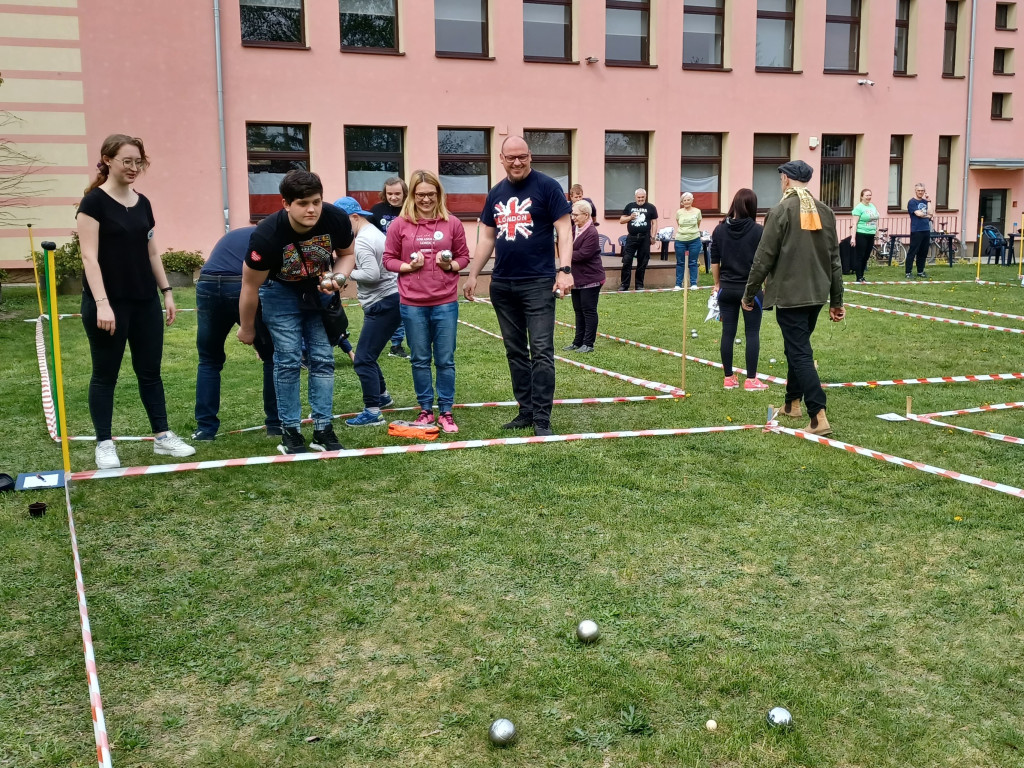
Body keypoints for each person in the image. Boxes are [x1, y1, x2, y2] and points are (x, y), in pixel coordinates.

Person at [76, 133, 196, 469]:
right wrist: (101, 303)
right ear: (108, 159)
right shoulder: (93, 203)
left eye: (138, 162)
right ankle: (104, 443)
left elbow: (152, 250)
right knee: (105, 375)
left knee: (150, 372)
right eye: (126, 161)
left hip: (144, 302)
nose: (133, 167)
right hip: (108, 304)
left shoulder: (143, 203)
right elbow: (89, 258)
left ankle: (162, 437)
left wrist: (167, 292)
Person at [237, 170, 355, 454]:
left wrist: (337, 279)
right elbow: (250, 285)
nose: (311, 209)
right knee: (288, 359)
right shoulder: (266, 235)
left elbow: (347, 255)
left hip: (317, 293)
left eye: (316, 201)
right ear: (286, 203)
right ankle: (290, 432)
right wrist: (247, 327)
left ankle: (323, 429)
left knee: (323, 359)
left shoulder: (336, 218)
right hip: (279, 293)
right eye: (302, 203)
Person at [462, 135, 573, 436]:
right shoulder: (496, 193)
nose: (517, 162)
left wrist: (564, 270)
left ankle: (541, 418)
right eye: (510, 157)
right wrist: (473, 274)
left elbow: (564, 229)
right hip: (503, 284)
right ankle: (525, 411)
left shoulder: (547, 187)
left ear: (530, 156)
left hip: (538, 283)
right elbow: (486, 237)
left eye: (522, 156)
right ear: (501, 159)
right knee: (515, 351)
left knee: (541, 350)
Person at [742, 160, 845, 436]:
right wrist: (836, 300)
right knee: (795, 348)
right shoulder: (825, 211)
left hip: (790, 295)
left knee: (799, 352)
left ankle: (818, 416)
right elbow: (835, 260)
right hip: (817, 294)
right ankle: (792, 403)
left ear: (786, 180)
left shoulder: (780, 211)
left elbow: (763, 257)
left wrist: (749, 293)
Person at [383, 170, 471, 433]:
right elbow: (388, 259)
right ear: (412, 195)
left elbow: (464, 256)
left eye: (430, 194)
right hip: (412, 303)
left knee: (445, 359)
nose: (425, 200)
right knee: (420, 358)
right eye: (420, 195)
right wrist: (408, 268)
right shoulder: (400, 225)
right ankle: (425, 410)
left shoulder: (451, 223)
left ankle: (445, 411)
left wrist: (451, 264)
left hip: (445, 301)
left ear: (438, 194)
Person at [192, 226, 280, 441]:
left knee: (208, 360)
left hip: (208, 284)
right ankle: (275, 424)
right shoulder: (273, 236)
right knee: (272, 357)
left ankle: (205, 429)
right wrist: (254, 330)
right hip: (240, 285)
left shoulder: (235, 234)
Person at [325, 197, 402, 428]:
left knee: (363, 360)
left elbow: (371, 274)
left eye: (341, 222)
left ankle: (373, 411)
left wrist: (341, 273)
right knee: (368, 354)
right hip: (387, 301)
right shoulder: (372, 233)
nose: (338, 228)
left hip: (384, 304)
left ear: (355, 217)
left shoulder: (364, 241)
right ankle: (382, 396)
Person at [711, 188, 767, 391]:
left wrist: (717, 285)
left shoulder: (719, 229)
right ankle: (751, 380)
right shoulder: (758, 231)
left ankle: (729, 378)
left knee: (728, 333)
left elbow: (714, 261)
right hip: (750, 291)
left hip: (726, 289)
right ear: (753, 206)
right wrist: (767, 286)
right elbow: (764, 262)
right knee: (752, 332)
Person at [368, 175, 411, 359]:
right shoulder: (376, 211)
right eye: (390, 193)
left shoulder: (410, 210)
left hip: (406, 263)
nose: (394, 197)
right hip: (383, 263)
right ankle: (387, 343)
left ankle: (401, 344)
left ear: (404, 193)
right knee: (388, 304)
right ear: (385, 194)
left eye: (397, 193)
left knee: (403, 303)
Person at [563, 200, 605, 353]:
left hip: (591, 278)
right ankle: (577, 342)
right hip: (577, 278)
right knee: (578, 310)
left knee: (588, 310)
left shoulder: (592, 232)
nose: (573, 217)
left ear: (586, 215)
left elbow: (583, 255)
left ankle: (588, 344)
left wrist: (565, 253)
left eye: (575, 214)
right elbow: (565, 244)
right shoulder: (574, 229)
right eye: (572, 214)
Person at [617, 188, 658, 291]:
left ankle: (639, 285)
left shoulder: (651, 207)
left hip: (645, 238)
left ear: (645, 197)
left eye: (642, 197)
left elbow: (654, 223)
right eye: (639, 197)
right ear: (635, 197)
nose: (640, 199)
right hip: (632, 237)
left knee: (642, 262)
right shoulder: (630, 206)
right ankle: (624, 285)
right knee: (627, 261)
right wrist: (630, 217)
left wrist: (653, 236)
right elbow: (621, 220)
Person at [673, 192, 703, 290]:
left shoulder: (697, 211)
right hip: (680, 240)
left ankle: (693, 283)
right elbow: (679, 223)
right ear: (682, 202)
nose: (686, 202)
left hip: (694, 240)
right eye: (684, 200)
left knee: (693, 262)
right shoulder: (679, 212)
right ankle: (678, 284)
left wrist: (691, 233)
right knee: (680, 262)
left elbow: (698, 224)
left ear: (692, 200)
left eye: (688, 200)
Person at [849, 188, 878, 283]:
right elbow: (854, 224)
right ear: (862, 196)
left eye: (870, 195)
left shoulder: (872, 206)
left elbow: (875, 219)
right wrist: (853, 238)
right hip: (861, 233)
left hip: (871, 234)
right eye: (867, 195)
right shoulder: (859, 208)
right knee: (860, 256)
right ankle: (859, 276)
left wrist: (876, 230)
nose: (869, 197)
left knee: (866, 256)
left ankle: (862, 275)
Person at [906, 183, 932, 279]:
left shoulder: (926, 202)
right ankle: (908, 272)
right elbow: (919, 214)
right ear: (915, 191)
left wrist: (929, 200)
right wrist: (927, 215)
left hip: (926, 229)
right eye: (919, 190)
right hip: (916, 230)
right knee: (913, 251)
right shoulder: (912, 202)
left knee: (923, 251)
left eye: (922, 190)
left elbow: (931, 213)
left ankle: (920, 271)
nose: (921, 192)